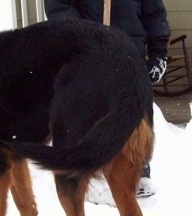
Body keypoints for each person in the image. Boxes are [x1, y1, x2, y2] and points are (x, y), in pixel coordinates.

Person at [44, 0, 171, 197]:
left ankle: (138, 171)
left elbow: (153, 12)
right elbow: (59, 7)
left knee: (137, 116)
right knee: (90, 117)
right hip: (89, 56)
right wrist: (87, 36)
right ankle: (91, 176)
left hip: (130, 54)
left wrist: (159, 50)